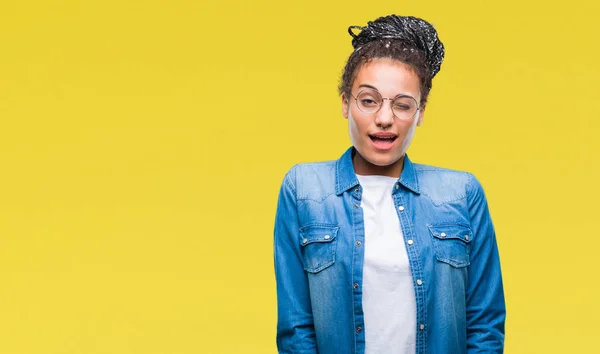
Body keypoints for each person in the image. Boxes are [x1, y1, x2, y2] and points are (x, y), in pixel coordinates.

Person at [273, 14, 505, 354]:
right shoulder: (305, 190)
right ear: (345, 103)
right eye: (368, 100)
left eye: (402, 105)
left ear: (421, 112)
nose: (384, 118)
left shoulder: (460, 193)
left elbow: (484, 326)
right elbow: (296, 330)